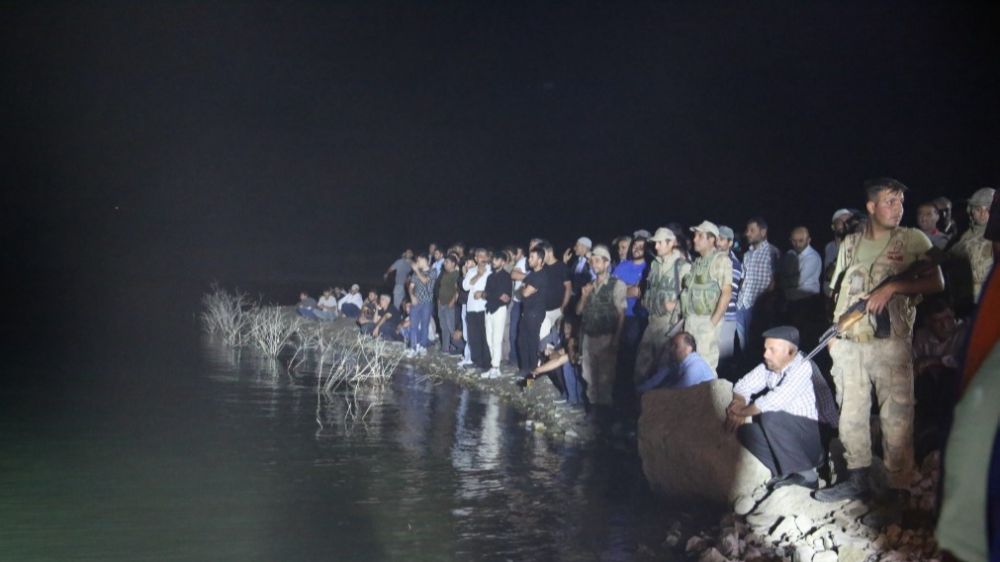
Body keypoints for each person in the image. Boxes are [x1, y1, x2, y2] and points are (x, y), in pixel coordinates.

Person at [816, 178, 944, 514]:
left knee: (897, 417)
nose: (898, 207)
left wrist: (894, 287)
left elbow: (937, 281)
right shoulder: (850, 244)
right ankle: (857, 478)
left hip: (891, 345)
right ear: (871, 206)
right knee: (851, 414)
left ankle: (898, 489)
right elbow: (838, 290)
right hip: (851, 344)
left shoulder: (912, 239)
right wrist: (835, 333)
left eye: (901, 201)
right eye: (890, 201)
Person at [727, 326, 827, 490]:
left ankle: (808, 475)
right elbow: (742, 386)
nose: (765, 354)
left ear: (790, 352)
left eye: (772, 350)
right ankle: (785, 472)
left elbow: (773, 401)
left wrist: (740, 411)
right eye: (766, 349)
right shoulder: (770, 367)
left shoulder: (802, 366)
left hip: (808, 442)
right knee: (745, 432)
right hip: (785, 438)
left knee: (770, 416)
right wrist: (740, 403)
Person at [634, 227, 690, 383]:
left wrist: (676, 306)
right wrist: (646, 301)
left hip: (669, 326)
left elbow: (690, 296)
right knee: (641, 367)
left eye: (659, 243)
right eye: (655, 243)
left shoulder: (683, 267)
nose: (656, 246)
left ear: (671, 243)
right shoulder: (655, 265)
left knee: (664, 371)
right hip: (652, 322)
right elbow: (650, 288)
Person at [576, 245, 626, 408]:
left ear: (606, 263)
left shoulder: (617, 285)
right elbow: (578, 312)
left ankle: (603, 420)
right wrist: (584, 297)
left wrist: (616, 340)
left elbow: (621, 314)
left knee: (605, 381)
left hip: (606, 338)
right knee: (589, 380)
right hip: (588, 339)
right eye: (592, 261)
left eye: (597, 260)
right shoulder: (588, 285)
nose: (593, 264)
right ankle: (593, 415)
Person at [681, 221, 733, 370]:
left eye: (700, 236)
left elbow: (726, 293)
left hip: (706, 320)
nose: (694, 239)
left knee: (705, 367)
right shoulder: (697, 262)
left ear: (712, 240)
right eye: (695, 235)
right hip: (691, 320)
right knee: (687, 367)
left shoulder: (721, 260)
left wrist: (712, 324)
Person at [736, 217, 779, 359]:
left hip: (759, 305)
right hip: (742, 304)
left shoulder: (772, 252)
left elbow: (776, 280)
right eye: (747, 230)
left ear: (763, 232)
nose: (747, 233)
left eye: (752, 230)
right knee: (744, 345)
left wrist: (766, 302)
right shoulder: (747, 254)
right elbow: (743, 278)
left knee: (758, 344)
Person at [949, 187, 995, 305]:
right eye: (978, 209)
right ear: (971, 211)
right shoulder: (964, 237)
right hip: (970, 300)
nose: (982, 213)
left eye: (988, 209)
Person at [635, 331, 716, 393]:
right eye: (672, 345)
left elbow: (676, 393)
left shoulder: (695, 367)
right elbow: (655, 380)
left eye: (676, 346)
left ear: (688, 349)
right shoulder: (678, 363)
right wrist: (639, 389)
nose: (671, 349)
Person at [531, 317, 584, 407]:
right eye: (564, 328)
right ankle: (525, 383)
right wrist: (551, 352)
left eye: (568, 328)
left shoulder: (577, 341)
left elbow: (559, 360)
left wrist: (539, 370)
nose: (565, 331)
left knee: (566, 366)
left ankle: (577, 401)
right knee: (548, 367)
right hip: (555, 361)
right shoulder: (561, 337)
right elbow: (556, 355)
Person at [516, 247, 549, 381]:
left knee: (531, 342)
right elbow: (522, 290)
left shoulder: (541, 276)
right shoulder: (531, 275)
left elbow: (524, 292)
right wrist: (523, 289)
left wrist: (523, 289)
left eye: (532, 257)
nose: (529, 260)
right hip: (527, 311)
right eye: (529, 257)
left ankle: (532, 372)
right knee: (522, 341)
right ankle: (525, 369)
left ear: (540, 260)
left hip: (535, 312)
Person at [716, 226, 743, 367]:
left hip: (726, 318)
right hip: (712, 317)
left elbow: (727, 294)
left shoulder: (734, 264)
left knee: (722, 363)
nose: (717, 242)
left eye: (721, 239)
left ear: (730, 243)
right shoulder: (711, 259)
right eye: (715, 238)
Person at [482, 251, 512, 378]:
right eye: (493, 259)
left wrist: (490, 295)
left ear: (503, 262)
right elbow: (486, 294)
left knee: (497, 339)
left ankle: (496, 367)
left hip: (499, 309)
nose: (494, 262)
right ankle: (493, 365)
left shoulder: (506, 276)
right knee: (489, 338)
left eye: (497, 259)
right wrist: (493, 295)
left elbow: (505, 297)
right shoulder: (490, 276)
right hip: (489, 309)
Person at [463, 248, 492, 370]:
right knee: (473, 336)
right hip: (471, 308)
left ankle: (487, 363)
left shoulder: (491, 270)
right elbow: (465, 286)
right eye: (479, 256)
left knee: (485, 336)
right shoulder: (472, 271)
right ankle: (476, 361)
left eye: (484, 255)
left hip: (484, 307)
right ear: (475, 258)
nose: (482, 258)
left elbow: (493, 288)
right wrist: (478, 275)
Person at [405, 255, 437, 357]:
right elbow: (411, 287)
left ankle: (423, 347)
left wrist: (417, 271)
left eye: (419, 260)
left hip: (427, 302)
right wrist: (412, 297)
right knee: (413, 325)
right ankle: (413, 348)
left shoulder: (433, 271)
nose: (417, 262)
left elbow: (425, 280)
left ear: (425, 260)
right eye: (417, 260)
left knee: (425, 325)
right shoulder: (416, 273)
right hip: (416, 302)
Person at [436, 255, 461, 353]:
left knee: (451, 327)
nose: (444, 264)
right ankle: (445, 348)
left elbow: (457, 289)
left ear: (453, 264)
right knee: (443, 327)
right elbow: (440, 287)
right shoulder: (444, 274)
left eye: (447, 262)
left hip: (449, 303)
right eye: (445, 262)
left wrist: (453, 300)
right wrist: (438, 299)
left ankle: (456, 347)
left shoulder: (456, 274)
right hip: (441, 303)